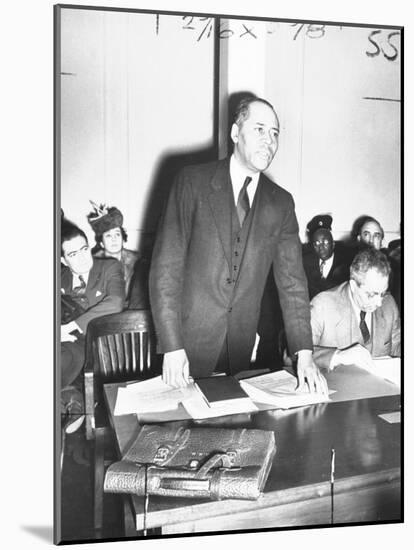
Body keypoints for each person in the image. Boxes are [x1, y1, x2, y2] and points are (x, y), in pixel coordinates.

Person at [149, 96, 327, 393]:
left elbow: (293, 283)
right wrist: (171, 345)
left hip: (240, 349)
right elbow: (165, 269)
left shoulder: (281, 203)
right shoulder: (192, 182)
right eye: (259, 129)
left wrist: (304, 352)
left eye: (274, 133)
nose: (269, 140)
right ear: (234, 133)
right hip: (185, 344)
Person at [61, 220, 125, 433]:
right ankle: (70, 398)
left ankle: (72, 399)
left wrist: (71, 327)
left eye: (84, 249)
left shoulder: (109, 267)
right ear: (62, 260)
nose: (81, 258)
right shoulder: (58, 277)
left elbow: (115, 303)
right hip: (67, 343)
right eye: (72, 255)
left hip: (100, 342)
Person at [310, 248, 400, 371]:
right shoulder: (322, 306)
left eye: (383, 293)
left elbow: (398, 349)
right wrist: (337, 357)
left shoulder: (389, 305)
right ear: (353, 286)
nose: (379, 303)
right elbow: (290, 356)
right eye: (371, 294)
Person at [87, 202, 141, 304]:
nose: (114, 239)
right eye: (108, 236)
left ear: (123, 238)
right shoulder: (92, 263)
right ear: (101, 242)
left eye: (117, 234)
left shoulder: (137, 261)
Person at [302, 214, 351, 300]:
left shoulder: (345, 265)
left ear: (333, 244)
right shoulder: (306, 263)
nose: (321, 247)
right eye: (317, 243)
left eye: (325, 242)